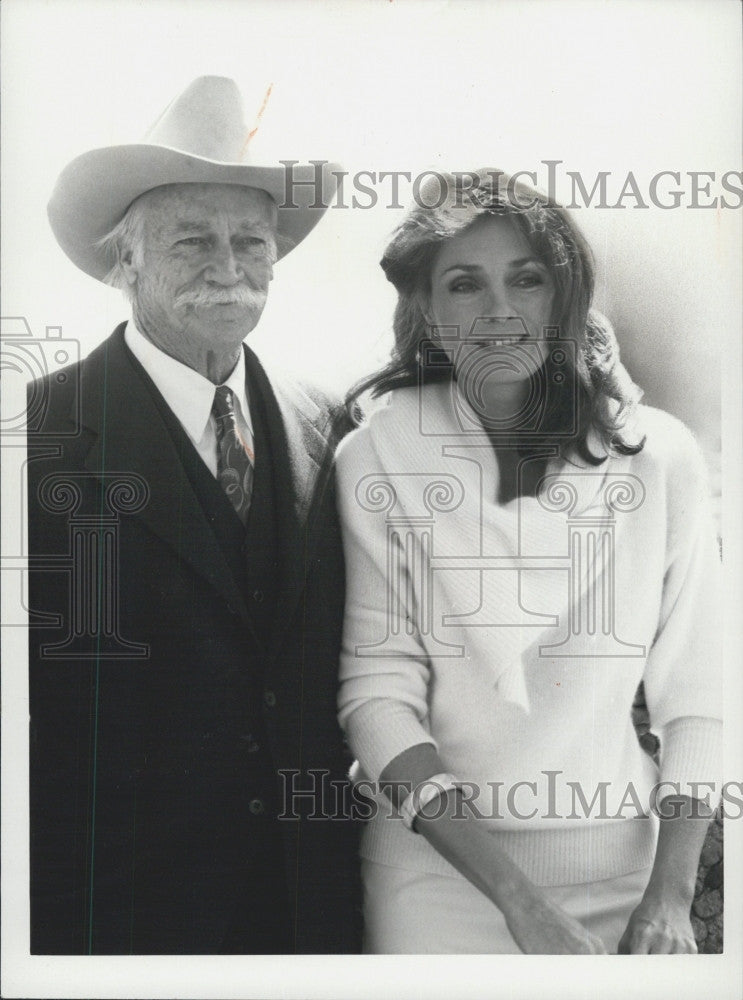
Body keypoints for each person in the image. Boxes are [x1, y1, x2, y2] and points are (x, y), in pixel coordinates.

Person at [335, 169, 722, 954]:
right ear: (427, 310)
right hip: (434, 879)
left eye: (527, 279)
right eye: (464, 284)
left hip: (628, 880)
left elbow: (703, 695)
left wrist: (669, 900)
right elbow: (376, 696)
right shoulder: (376, 453)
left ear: (564, 295)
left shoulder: (659, 457)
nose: (499, 309)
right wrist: (517, 902)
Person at [27, 76, 360, 954]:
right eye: (191, 240)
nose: (227, 264)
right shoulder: (32, 439)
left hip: (311, 910)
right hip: (118, 920)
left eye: (250, 240)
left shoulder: (332, 424)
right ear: (124, 262)